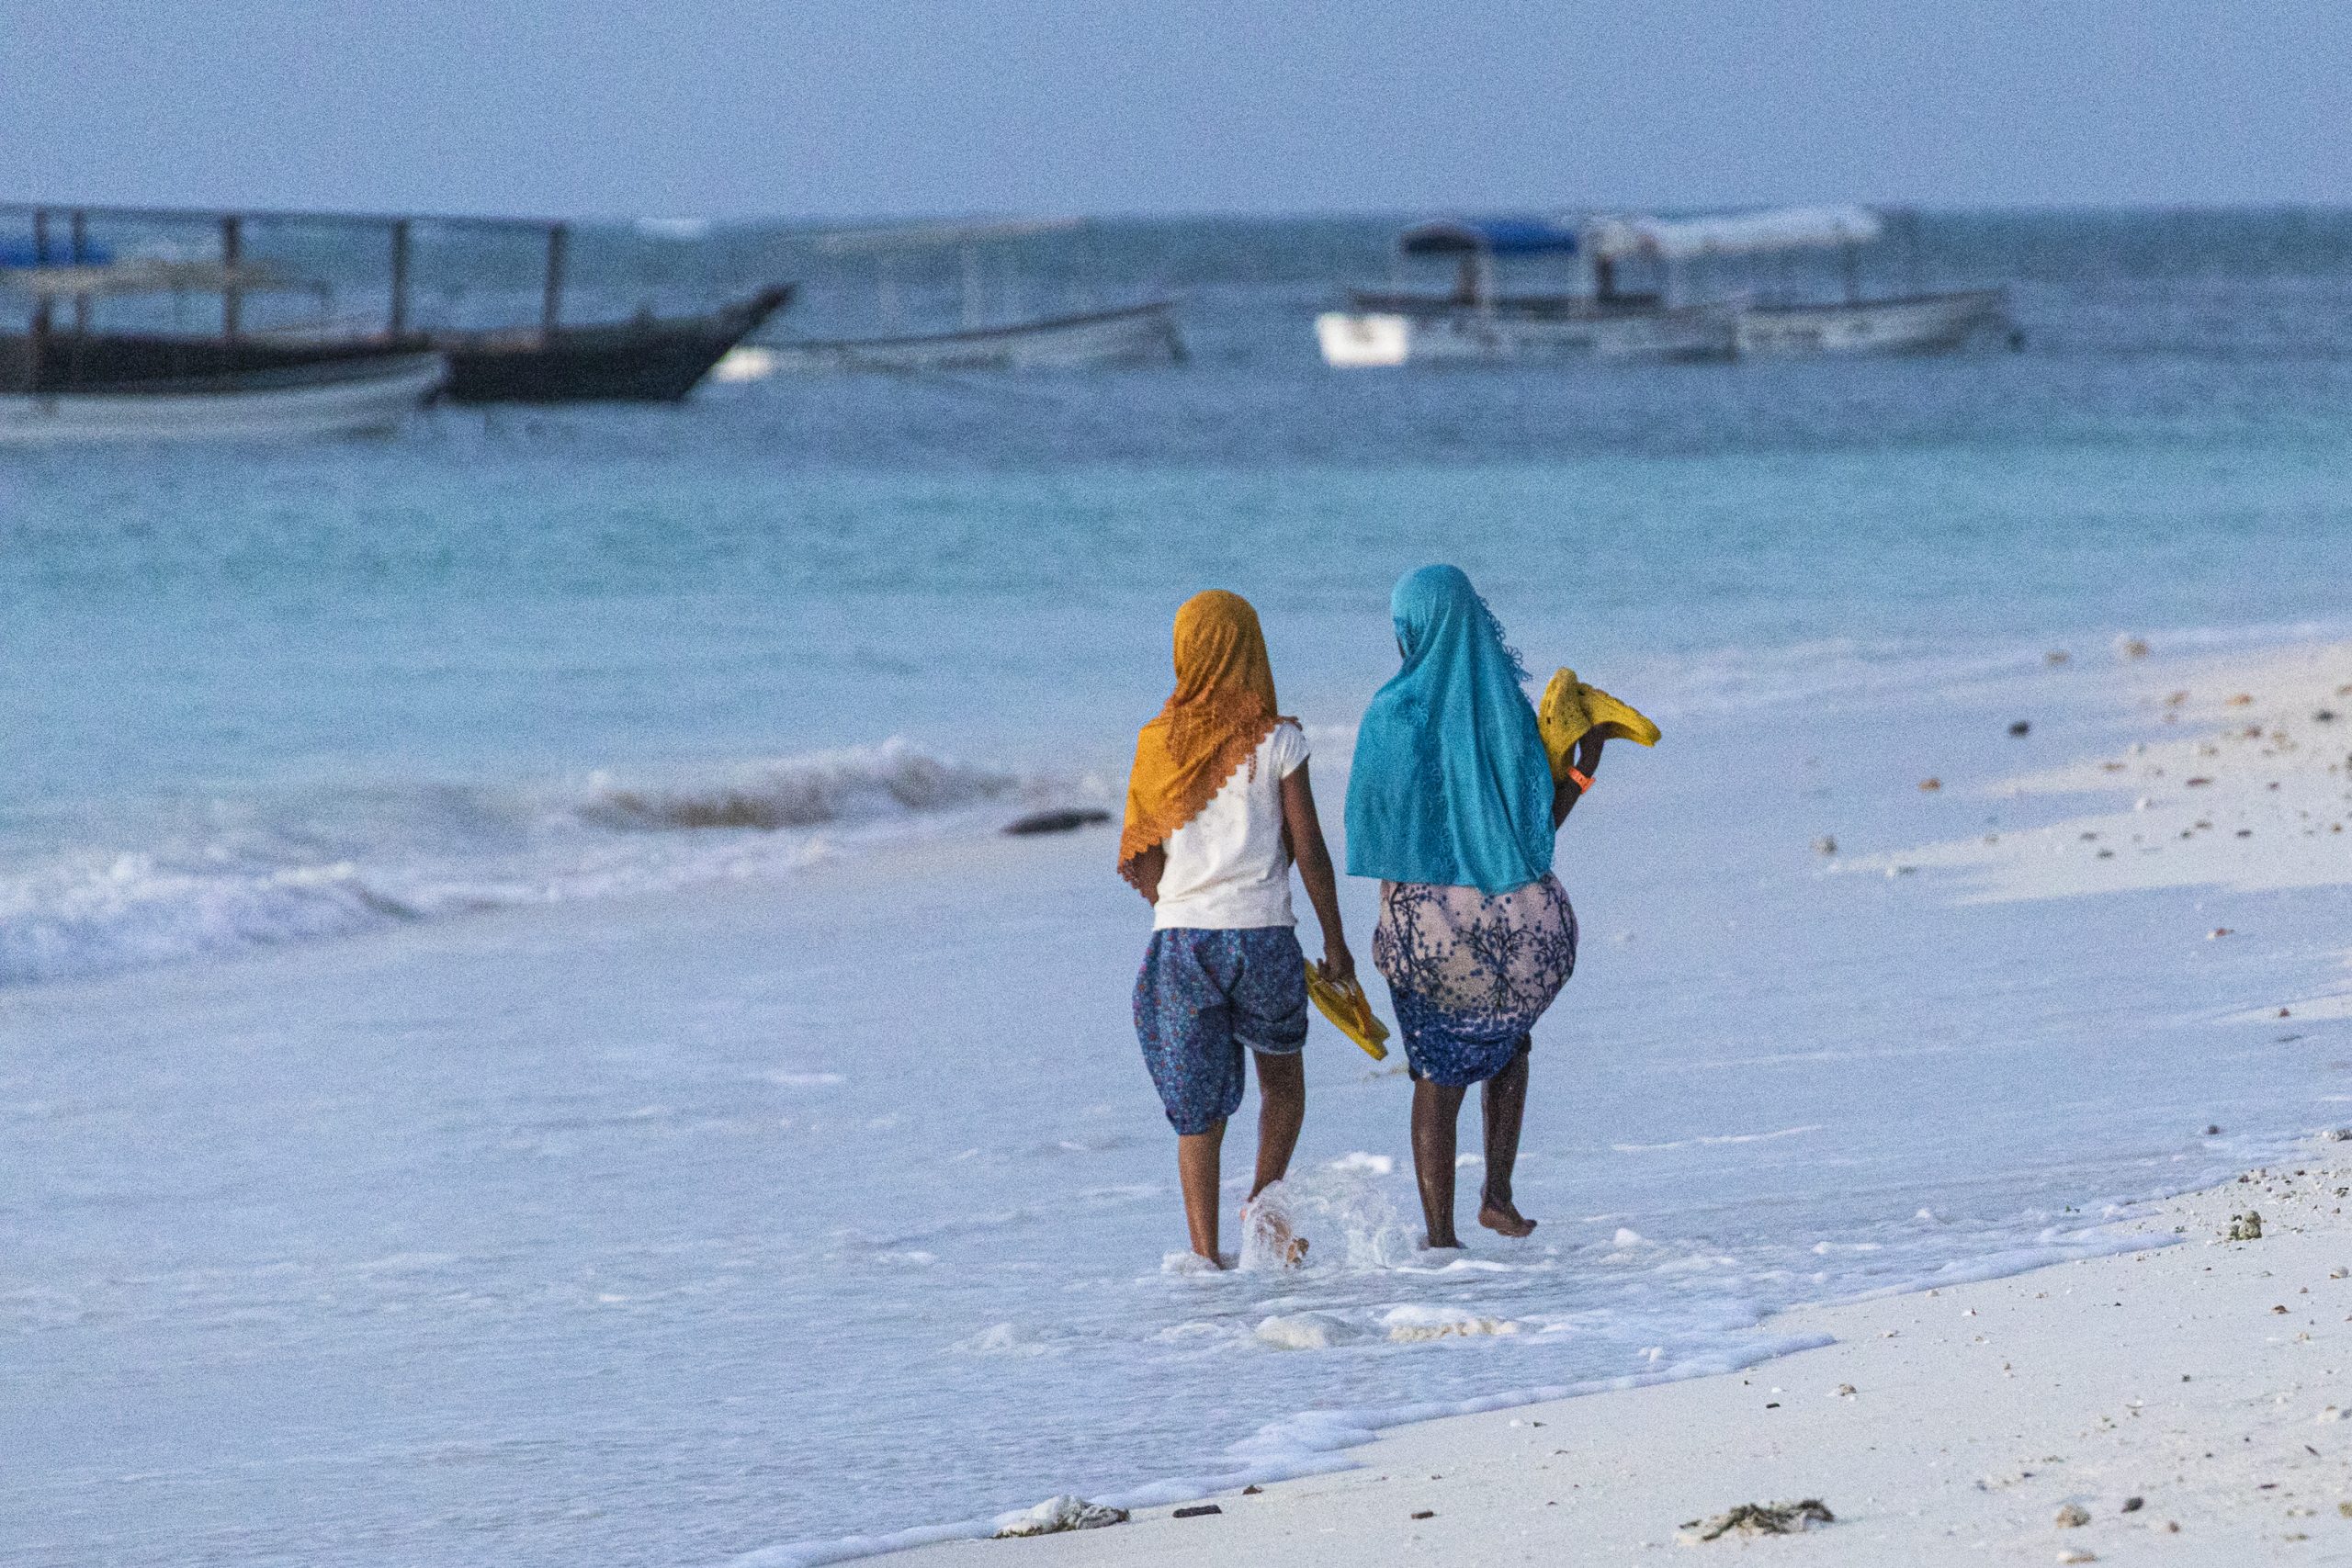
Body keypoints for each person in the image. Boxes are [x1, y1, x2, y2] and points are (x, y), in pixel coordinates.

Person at [1344, 565, 1600, 1249]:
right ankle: (1498, 1196)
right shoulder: (1506, 713)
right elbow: (1537, 833)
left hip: (1433, 939)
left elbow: (1381, 836)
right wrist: (1586, 763)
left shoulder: (1391, 716)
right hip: (1524, 936)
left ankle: (1440, 1235)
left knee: (1436, 1069)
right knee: (1510, 1043)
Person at [1120, 590, 1356, 1268]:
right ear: (1250, 650)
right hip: (1265, 935)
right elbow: (1309, 848)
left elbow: (1146, 856)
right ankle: (1262, 1209)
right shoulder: (1279, 740)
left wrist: (1180, 903)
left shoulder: (1157, 743)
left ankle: (1205, 1257)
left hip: (1182, 940)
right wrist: (1335, 942)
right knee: (1282, 1084)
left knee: (1199, 1112)